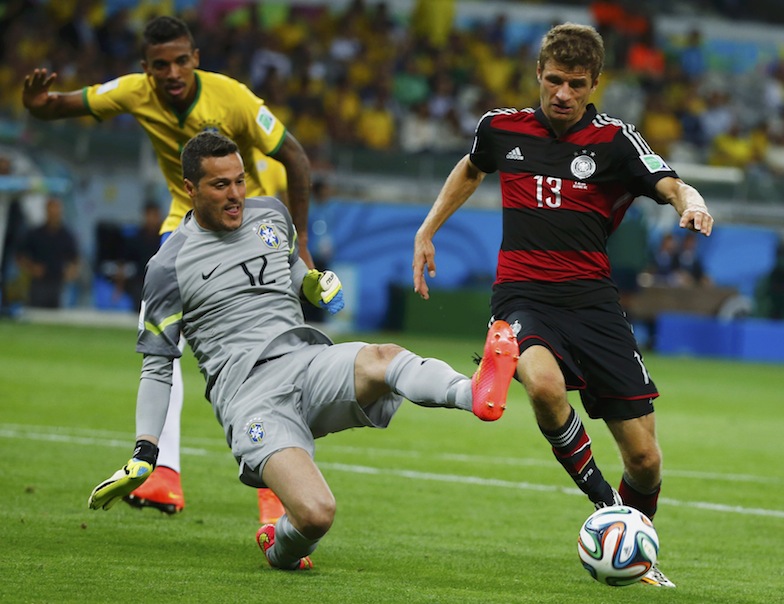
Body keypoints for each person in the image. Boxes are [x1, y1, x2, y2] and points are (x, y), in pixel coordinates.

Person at [87, 131, 519, 571]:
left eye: (240, 181)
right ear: (189, 189)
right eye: (220, 186)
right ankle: (280, 545)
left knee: (383, 357)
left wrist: (314, 283)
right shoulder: (166, 268)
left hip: (306, 362)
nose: (235, 195)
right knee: (316, 514)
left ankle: (475, 393)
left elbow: (293, 270)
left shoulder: (271, 215)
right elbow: (158, 368)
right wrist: (145, 452)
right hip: (250, 399)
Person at [412, 23, 715, 589]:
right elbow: (472, 168)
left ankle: (630, 542)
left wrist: (691, 202)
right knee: (546, 387)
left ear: (595, 83)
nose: (563, 94)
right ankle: (607, 510)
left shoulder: (615, 141)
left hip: (594, 304)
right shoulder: (501, 128)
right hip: (523, 297)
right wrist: (427, 230)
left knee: (646, 460)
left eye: (576, 84)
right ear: (538, 75)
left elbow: (671, 183)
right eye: (554, 81)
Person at [22, 15, 314, 522]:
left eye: (181, 60)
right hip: (189, 219)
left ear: (196, 58)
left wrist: (301, 243)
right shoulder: (135, 92)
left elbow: (296, 157)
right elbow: (62, 105)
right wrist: (39, 106)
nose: (173, 72)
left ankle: (278, 489)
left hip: (251, 212)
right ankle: (164, 474)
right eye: (161, 65)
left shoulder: (233, 98)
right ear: (146, 69)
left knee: (271, 348)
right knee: (159, 340)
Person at [16, 196, 80, 309]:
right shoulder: (35, 234)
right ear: (46, 211)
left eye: (56, 211)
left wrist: (70, 272)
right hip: (38, 283)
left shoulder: (67, 236)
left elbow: (75, 259)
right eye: (51, 211)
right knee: (35, 313)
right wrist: (31, 268)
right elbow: (20, 256)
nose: (54, 214)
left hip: (58, 283)